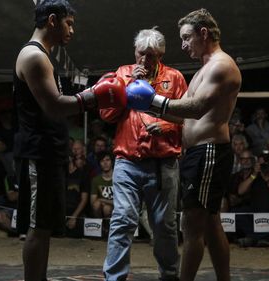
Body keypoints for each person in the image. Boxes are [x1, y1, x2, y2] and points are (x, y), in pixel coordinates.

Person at [125, 8, 241, 281]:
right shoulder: (205, 68)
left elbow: (197, 108)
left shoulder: (221, 66)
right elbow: (180, 113)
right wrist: (150, 106)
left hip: (208, 151)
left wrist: (152, 99)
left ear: (204, 33)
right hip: (200, 152)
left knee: (193, 228)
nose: (183, 45)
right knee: (211, 224)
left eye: (187, 37)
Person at [13, 1, 126, 280]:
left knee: (45, 226)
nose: (72, 30)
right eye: (69, 23)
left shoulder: (44, 56)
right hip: (39, 152)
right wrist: (95, 95)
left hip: (48, 151)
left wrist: (92, 95)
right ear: (52, 20)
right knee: (38, 227)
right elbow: (54, 106)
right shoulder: (34, 57)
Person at [100, 27, 187, 281]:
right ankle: (114, 278)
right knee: (123, 220)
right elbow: (106, 115)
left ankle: (169, 276)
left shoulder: (175, 77)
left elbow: (188, 119)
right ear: (134, 51)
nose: (145, 61)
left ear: (160, 55)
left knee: (164, 226)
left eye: (151, 56)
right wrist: (126, 87)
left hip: (164, 164)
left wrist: (165, 126)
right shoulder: (121, 74)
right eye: (141, 54)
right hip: (127, 162)